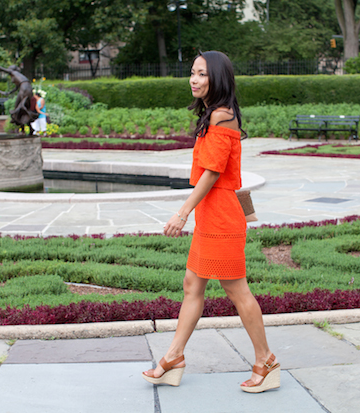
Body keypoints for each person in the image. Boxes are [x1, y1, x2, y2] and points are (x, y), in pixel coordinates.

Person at [141, 51, 280, 393]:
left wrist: (182, 212)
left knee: (236, 289)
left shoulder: (222, 116)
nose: (194, 79)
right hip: (210, 214)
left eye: (202, 74)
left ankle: (266, 360)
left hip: (221, 215)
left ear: (217, 78)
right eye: (192, 73)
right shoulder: (212, 115)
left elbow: (213, 173)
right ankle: (174, 357)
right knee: (193, 284)